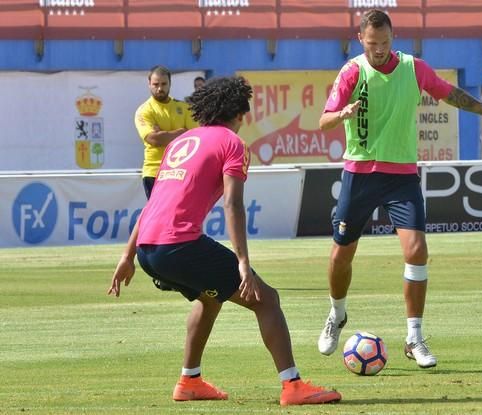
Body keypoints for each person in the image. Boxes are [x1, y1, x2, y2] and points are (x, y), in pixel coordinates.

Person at [109, 76, 342, 406]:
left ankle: (189, 381)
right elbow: (233, 203)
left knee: (209, 297)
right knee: (266, 299)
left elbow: (153, 203)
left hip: (148, 248)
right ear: (240, 114)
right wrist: (243, 263)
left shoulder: (181, 142)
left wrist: (127, 256)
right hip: (178, 245)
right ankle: (292, 386)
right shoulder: (232, 144)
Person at [317, 9, 482, 368]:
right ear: (360, 40)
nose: (378, 49)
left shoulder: (414, 68)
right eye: (371, 43)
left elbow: (453, 94)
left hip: (401, 176)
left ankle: (414, 337)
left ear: (393, 38)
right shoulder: (352, 71)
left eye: (384, 42)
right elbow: (324, 121)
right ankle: (337, 313)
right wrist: (343, 114)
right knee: (340, 257)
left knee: (416, 251)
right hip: (360, 174)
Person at [135, 65, 198, 199]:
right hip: (155, 171)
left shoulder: (184, 108)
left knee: (180, 215)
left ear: (170, 83)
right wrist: (182, 132)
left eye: (164, 84)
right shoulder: (144, 110)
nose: (160, 88)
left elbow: (196, 138)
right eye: (155, 84)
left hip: (181, 171)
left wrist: (164, 134)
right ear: (149, 84)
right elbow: (153, 139)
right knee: (157, 217)